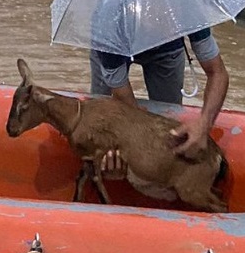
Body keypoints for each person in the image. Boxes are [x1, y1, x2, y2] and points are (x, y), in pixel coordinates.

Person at [89, 30, 229, 159]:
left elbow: (217, 72)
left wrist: (204, 123)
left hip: (167, 46)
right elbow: (127, 107)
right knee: (101, 129)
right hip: (114, 45)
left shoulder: (186, 8)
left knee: (172, 127)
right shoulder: (108, 24)